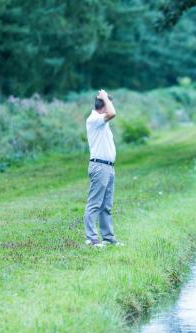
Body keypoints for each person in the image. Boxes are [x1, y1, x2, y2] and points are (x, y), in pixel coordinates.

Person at [83, 89, 121, 247]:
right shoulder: (94, 119)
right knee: (94, 203)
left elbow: (111, 113)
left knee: (106, 206)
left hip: (108, 167)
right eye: (108, 104)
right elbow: (113, 113)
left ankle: (108, 238)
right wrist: (105, 97)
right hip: (99, 166)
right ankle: (91, 239)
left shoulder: (101, 121)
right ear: (104, 106)